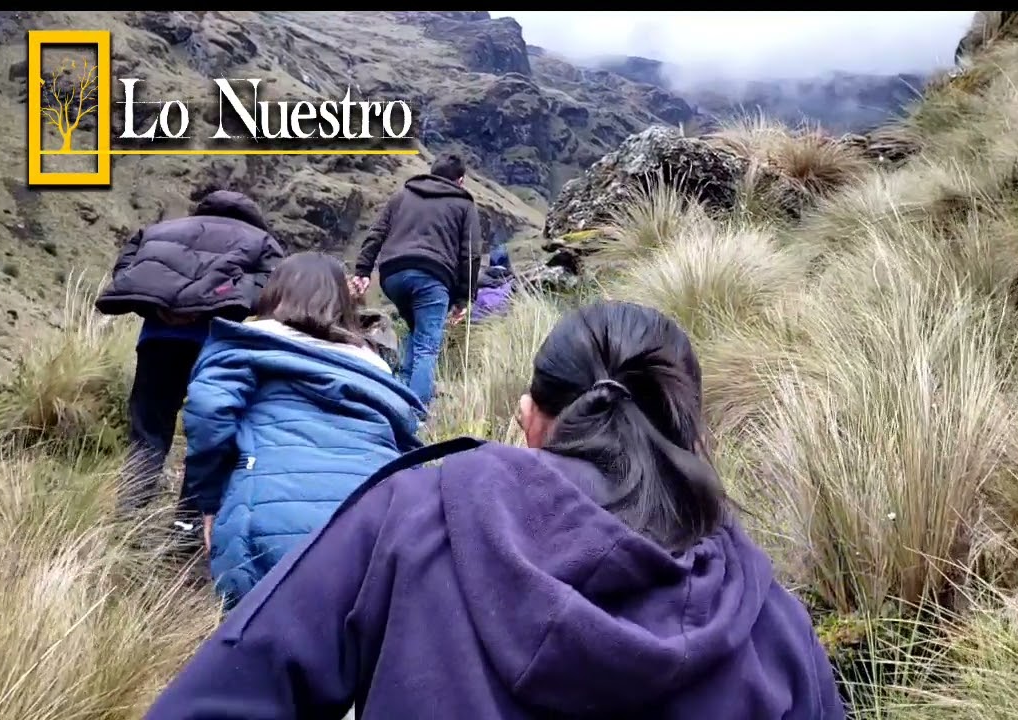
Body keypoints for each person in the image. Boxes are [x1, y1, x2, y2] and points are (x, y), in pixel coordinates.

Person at [145, 300, 846, 720]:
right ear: (693, 441)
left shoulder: (410, 513)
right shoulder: (768, 614)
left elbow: (223, 694)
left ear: (528, 417)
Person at [180, 252, 424, 610]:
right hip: (378, 529)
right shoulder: (375, 370)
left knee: (256, 644)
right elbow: (408, 455)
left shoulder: (246, 344)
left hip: (265, 521)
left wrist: (210, 500)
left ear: (274, 293)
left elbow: (209, 411)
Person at [94, 189, 284, 517]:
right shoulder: (261, 240)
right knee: (206, 434)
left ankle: (128, 512)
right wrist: (213, 305)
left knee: (149, 428)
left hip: (158, 338)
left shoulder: (158, 230)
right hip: (215, 346)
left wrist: (161, 305)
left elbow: (127, 271)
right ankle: (187, 526)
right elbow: (274, 287)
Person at [350, 154, 484, 418]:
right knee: (427, 346)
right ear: (461, 180)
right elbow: (471, 254)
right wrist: (464, 297)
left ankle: (397, 396)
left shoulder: (403, 195)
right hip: (432, 277)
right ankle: (415, 416)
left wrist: (363, 270)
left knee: (415, 332)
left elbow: (377, 233)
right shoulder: (464, 204)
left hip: (392, 275)